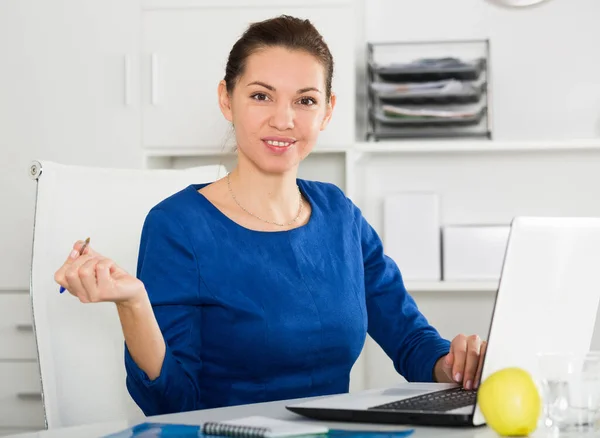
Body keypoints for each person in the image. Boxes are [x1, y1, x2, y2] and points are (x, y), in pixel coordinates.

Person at [54, 15, 486, 417]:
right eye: (261, 96)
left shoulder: (341, 217)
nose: (284, 119)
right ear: (227, 99)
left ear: (328, 111)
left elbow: (412, 343)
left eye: (305, 100)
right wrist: (133, 303)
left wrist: (455, 366)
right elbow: (171, 401)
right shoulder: (178, 226)